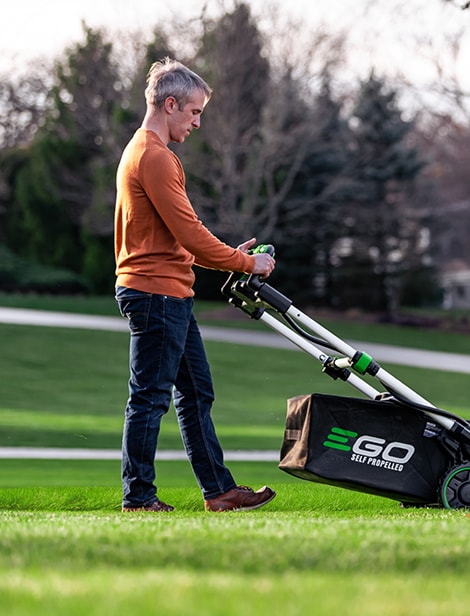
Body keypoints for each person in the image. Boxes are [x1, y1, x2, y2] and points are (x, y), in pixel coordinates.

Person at [114, 57, 276, 513]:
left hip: (168, 292)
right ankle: (139, 497)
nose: (198, 123)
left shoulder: (143, 151)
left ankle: (220, 491)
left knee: (196, 393)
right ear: (170, 104)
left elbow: (180, 235)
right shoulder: (154, 157)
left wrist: (232, 256)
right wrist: (247, 263)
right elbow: (190, 235)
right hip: (156, 293)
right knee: (149, 397)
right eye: (194, 113)